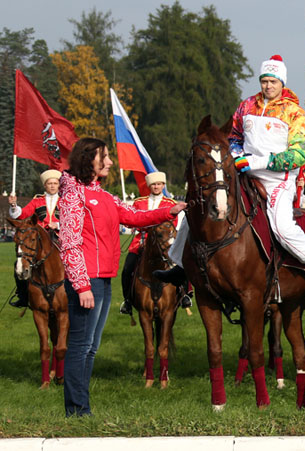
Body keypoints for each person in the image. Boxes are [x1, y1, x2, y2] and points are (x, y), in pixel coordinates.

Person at [155, 55, 305, 286]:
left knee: (281, 225)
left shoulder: (295, 113)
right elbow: (234, 136)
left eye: (273, 81)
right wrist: (238, 153)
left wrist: (258, 162)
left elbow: (299, 154)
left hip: (277, 179)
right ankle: (180, 266)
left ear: (282, 83)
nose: (268, 86)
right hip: (244, 172)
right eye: (264, 81)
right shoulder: (246, 105)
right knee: (197, 207)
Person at [58, 138, 185, 417]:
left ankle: (80, 410)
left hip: (103, 281)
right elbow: (69, 244)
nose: (110, 162)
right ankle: (77, 411)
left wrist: (169, 211)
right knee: (81, 347)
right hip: (87, 282)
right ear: (89, 159)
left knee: (91, 347)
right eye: (104, 157)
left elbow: (133, 216)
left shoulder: (104, 196)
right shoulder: (72, 195)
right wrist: (81, 286)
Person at [119, 171, 190, 315]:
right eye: (153, 185)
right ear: (149, 186)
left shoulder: (170, 203)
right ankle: (127, 300)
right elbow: (134, 220)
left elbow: (172, 222)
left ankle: (185, 294)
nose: (156, 187)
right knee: (127, 267)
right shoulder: (139, 202)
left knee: (179, 264)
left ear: (163, 185)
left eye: (159, 184)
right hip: (141, 240)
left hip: (163, 241)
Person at [8, 169, 62, 308]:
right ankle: (23, 296)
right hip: (39, 239)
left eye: (55, 183)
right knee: (19, 263)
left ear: (59, 185)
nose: (52, 186)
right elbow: (21, 214)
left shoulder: (66, 201)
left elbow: (73, 219)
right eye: (49, 183)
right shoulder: (37, 201)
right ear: (45, 185)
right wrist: (14, 205)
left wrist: (57, 224)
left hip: (60, 237)